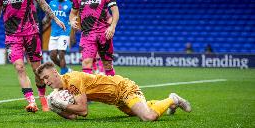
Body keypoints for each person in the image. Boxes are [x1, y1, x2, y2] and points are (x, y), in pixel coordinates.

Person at [0, 0, 65, 112]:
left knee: (37, 70)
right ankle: (31, 102)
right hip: (12, 35)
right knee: (19, 67)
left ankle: (42, 98)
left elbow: (42, 3)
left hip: (31, 33)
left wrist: (55, 19)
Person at [36, 62, 192, 121]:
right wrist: (57, 109)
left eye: (47, 77)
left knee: (147, 116)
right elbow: (74, 116)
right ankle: (167, 104)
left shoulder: (73, 80)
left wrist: (62, 105)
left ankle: (173, 99)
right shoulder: (60, 90)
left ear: (55, 73)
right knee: (138, 112)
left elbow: (83, 111)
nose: (46, 82)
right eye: (43, 80)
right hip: (116, 100)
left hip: (123, 88)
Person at [69, 0, 119, 76]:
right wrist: (72, 21)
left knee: (107, 65)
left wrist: (112, 27)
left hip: (103, 34)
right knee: (86, 63)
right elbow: (73, 13)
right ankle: (89, 87)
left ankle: (112, 86)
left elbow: (115, 10)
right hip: (87, 35)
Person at [42, 0, 73, 74]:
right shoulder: (52, 3)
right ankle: (66, 70)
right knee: (53, 56)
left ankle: (63, 75)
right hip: (54, 33)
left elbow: (72, 18)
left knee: (61, 53)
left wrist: (72, 34)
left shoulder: (69, 4)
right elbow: (48, 17)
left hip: (64, 32)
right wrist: (45, 20)